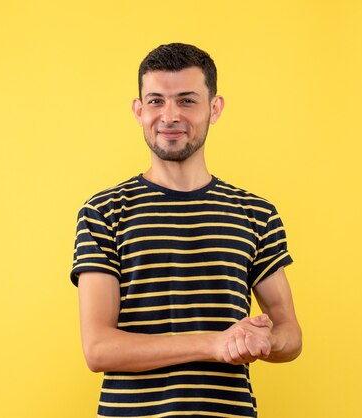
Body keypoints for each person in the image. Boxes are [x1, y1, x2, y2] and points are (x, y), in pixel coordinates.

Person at [71, 43, 302, 417]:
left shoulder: (256, 214)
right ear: (138, 110)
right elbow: (98, 348)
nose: (170, 115)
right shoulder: (103, 213)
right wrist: (214, 344)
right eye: (156, 101)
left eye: (187, 100)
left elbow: (290, 335)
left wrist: (258, 340)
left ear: (215, 109)